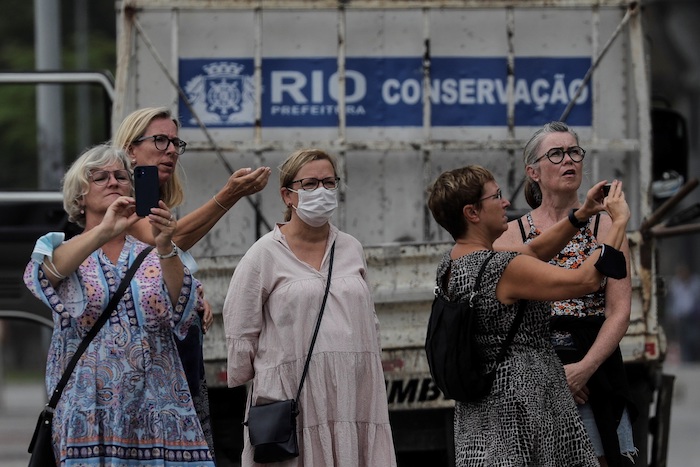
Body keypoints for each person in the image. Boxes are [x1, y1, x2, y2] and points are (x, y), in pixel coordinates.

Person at [427, 164, 631, 466]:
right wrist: (618, 223)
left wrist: (582, 214)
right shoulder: (503, 269)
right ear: (472, 213)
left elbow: (534, 252)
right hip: (524, 406)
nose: (506, 202)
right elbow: (585, 281)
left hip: (483, 410)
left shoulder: (453, 262)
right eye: (496, 196)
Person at [23, 144, 214, 465]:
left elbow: (182, 310)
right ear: (79, 196)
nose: (113, 182)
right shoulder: (63, 250)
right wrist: (103, 232)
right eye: (100, 177)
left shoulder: (155, 252)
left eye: (122, 177)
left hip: (160, 414)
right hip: (89, 416)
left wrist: (166, 245)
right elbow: (43, 277)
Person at [112, 106, 272, 455]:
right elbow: (163, 242)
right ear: (130, 149)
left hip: (175, 359)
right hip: (144, 368)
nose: (170, 150)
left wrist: (192, 293)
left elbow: (162, 264)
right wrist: (228, 195)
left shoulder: (155, 201)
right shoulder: (119, 201)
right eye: (159, 140)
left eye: (175, 142)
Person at [222, 148, 397, 466]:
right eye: (311, 184)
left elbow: (368, 320)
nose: (323, 191)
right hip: (294, 397)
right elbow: (240, 325)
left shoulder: (351, 248)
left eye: (330, 183)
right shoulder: (264, 254)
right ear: (287, 195)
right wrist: (263, 380)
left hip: (353, 395)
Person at [494, 121, 637, 466]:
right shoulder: (511, 237)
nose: (568, 160)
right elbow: (501, 325)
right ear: (533, 171)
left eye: (574, 152)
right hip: (533, 375)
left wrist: (584, 369)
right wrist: (555, 376)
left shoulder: (607, 225)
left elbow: (619, 311)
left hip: (594, 368)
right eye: (556, 154)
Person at [666, 263, 700, 362]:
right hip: (680, 316)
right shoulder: (675, 284)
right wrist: (671, 314)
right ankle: (686, 359)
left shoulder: (695, 283)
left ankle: (695, 357)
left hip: (693, 316)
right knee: (682, 338)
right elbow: (672, 300)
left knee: (694, 337)